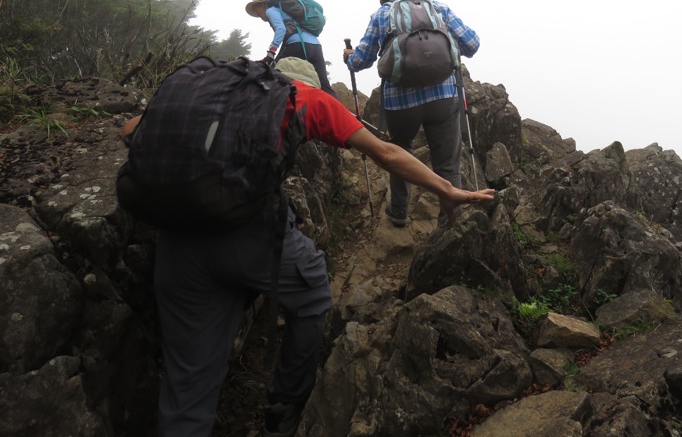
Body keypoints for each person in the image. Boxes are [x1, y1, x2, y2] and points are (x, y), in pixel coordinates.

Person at [120, 57, 495, 437]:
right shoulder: (306, 99)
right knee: (313, 292)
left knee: (187, 380)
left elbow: (130, 129)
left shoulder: (211, 94)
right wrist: (446, 188)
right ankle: (285, 402)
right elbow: (386, 153)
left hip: (176, 238)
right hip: (250, 233)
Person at [343, 0, 480, 228]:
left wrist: (348, 57)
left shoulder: (381, 14)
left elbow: (360, 61)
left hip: (400, 103)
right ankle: (450, 224)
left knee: (399, 153)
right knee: (448, 163)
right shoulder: (439, 8)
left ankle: (398, 213)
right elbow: (472, 44)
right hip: (443, 96)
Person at [246, 0, 338, 98]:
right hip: (316, 46)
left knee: (273, 76)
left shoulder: (270, 10)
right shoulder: (286, 11)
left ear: (262, 5)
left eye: (257, 10)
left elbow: (281, 29)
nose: (258, 15)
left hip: (298, 45)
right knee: (325, 85)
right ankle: (343, 112)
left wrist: (271, 52)